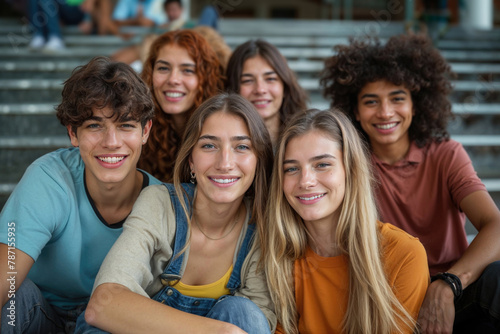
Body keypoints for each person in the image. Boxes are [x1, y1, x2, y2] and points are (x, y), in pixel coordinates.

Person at [321, 34, 500, 333]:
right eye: (371, 101)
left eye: (397, 98)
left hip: (453, 293)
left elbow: (495, 225)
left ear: (415, 104)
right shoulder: (349, 164)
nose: (385, 112)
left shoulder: (446, 154)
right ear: (355, 111)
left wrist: (449, 283)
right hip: (387, 297)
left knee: (496, 278)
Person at [82, 93, 276, 333]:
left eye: (242, 147)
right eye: (209, 145)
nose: (225, 163)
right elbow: (102, 304)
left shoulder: (263, 227)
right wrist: (219, 331)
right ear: (191, 161)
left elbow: (257, 324)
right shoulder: (161, 203)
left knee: (245, 314)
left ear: (258, 160)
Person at [0, 56, 162, 333]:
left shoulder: (160, 201)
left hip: (108, 321)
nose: (111, 143)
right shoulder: (49, 177)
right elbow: (8, 270)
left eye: (126, 125)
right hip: (39, 314)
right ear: (73, 134)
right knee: (14, 298)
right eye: (94, 126)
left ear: (145, 131)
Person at [261, 108, 429, 334]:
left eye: (322, 164)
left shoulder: (403, 254)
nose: (306, 181)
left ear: (350, 170)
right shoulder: (278, 257)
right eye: (292, 168)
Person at [137, 29, 225, 182]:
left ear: (205, 79)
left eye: (187, 70)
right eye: (163, 68)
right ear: (150, 75)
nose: (173, 79)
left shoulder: (222, 130)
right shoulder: (138, 129)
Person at [226, 39, 308, 147]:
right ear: (233, 88)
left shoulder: (307, 138)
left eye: (270, 79)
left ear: (285, 86)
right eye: (247, 80)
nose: (260, 89)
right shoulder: (225, 148)